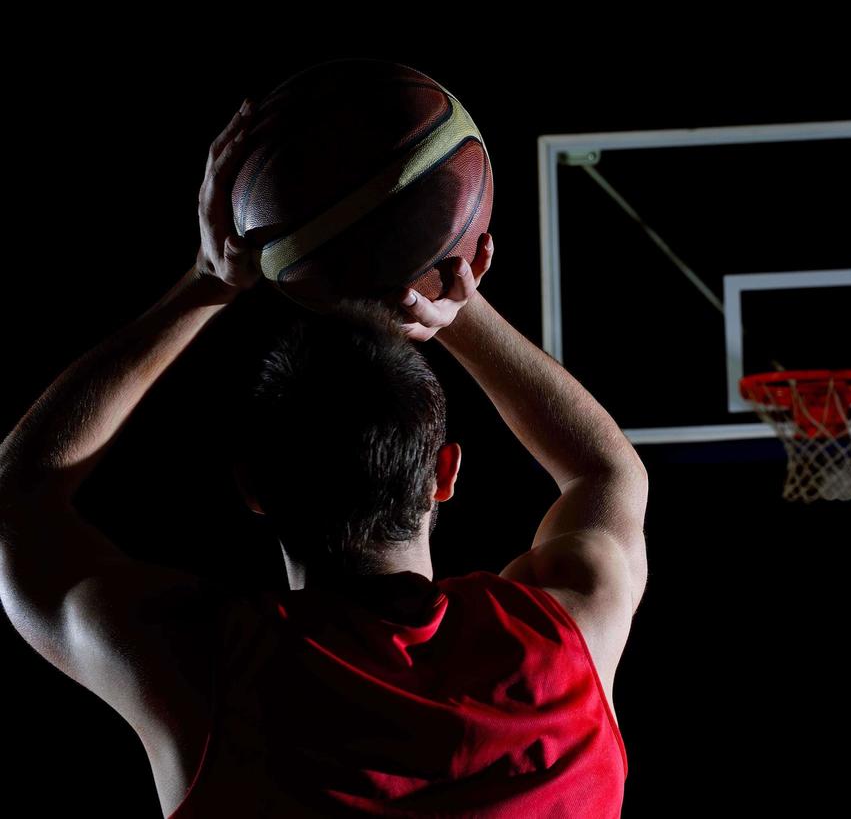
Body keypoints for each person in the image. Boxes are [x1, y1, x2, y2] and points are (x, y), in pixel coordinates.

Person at [0, 98, 647, 817]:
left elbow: (18, 495)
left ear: (253, 488)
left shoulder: (201, 670)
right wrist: (453, 308)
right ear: (444, 474)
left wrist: (207, 283)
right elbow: (606, 471)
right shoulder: (562, 646)